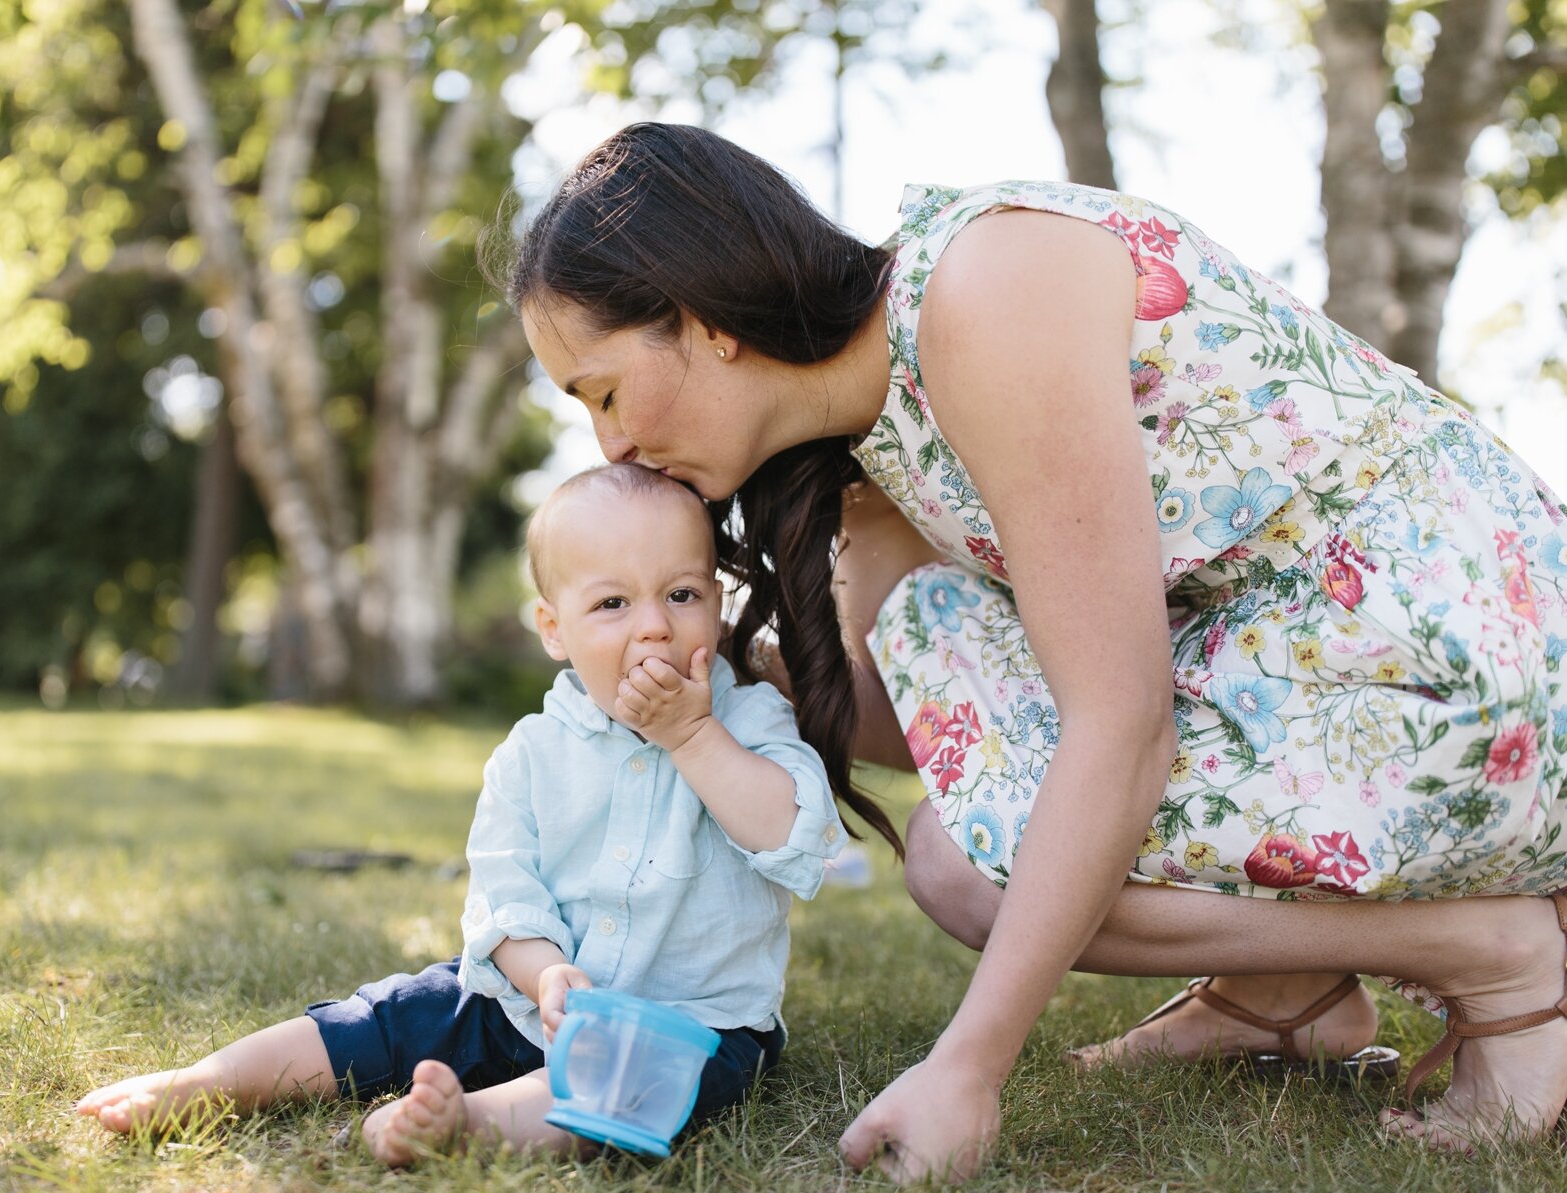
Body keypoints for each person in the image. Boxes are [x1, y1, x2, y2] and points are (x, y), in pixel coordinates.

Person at [500, 121, 1567, 1182]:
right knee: (954, 816)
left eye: (599, 390)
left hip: (1464, 652)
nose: (611, 446)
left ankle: (1495, 952)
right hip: (1335, 661)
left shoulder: (980, 292)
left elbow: (1119, 720)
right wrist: (692, 682)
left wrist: (967, 1065)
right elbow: (921, 728)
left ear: (701, 321)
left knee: (964, 868)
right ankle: (1285, 994)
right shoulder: (877, 432)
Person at [76, 463, 845, 1164]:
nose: (653, 625)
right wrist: (544, 974)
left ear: (715, 601)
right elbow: (505, 893)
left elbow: (795, 837)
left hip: (687, 1022)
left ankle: (467, 1123)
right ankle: (212, 1080)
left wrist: (693, 735)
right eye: (612, 602)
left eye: (681, 594)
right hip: (526, 1000)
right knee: (389, 1014)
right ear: (554, 629)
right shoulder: (533, 751)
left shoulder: (748, 722)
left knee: (639, 1087)